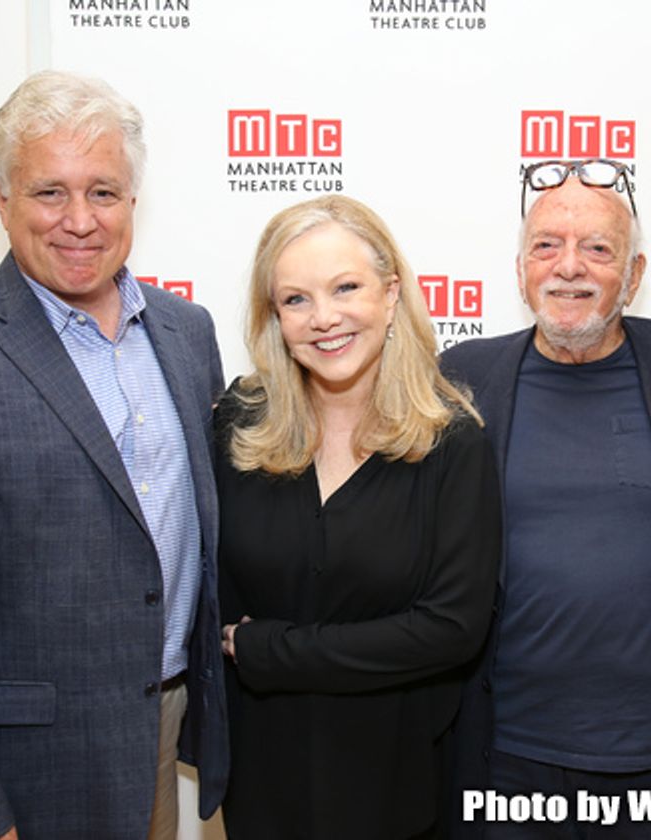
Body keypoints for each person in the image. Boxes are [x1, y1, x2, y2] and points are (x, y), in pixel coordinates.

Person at [0, 70, 228, 840]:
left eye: (103, 192)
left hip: (159, 731)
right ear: (1, 200)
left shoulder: (189, 334)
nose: (79, 221)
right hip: (15, 770)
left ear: (132, 200)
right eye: (49, 192)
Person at [442, 162, 651, 839]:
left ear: (634, 275)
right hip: (505, 763)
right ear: (520, 268)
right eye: (547, 245)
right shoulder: (461, 379)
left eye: (598, 249)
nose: (568, 267)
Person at [215, 194, 502, 839]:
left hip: (398, 789)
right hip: (262, 782)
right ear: (274, 316)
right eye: (296, 299)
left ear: (391, 294)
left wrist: (269, 649)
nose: (324, 319)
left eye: (346, 288)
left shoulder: (452, 441)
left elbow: (450, 629)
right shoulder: (238, 425)